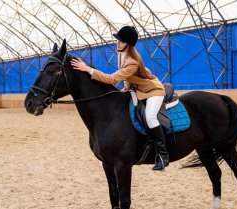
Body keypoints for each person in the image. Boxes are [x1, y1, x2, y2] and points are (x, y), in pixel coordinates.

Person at [71, 26, 169, 171]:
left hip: (153, 90)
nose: (118, 42)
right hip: (138, 89)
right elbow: (127, 76)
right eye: (118, 39)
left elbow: (111, 78)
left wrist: (87, 69)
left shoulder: (133, 62)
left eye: (121, 41)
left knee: (150, 117)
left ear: (128, 44)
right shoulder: (120, 53)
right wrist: (127, 86)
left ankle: (162, 155)